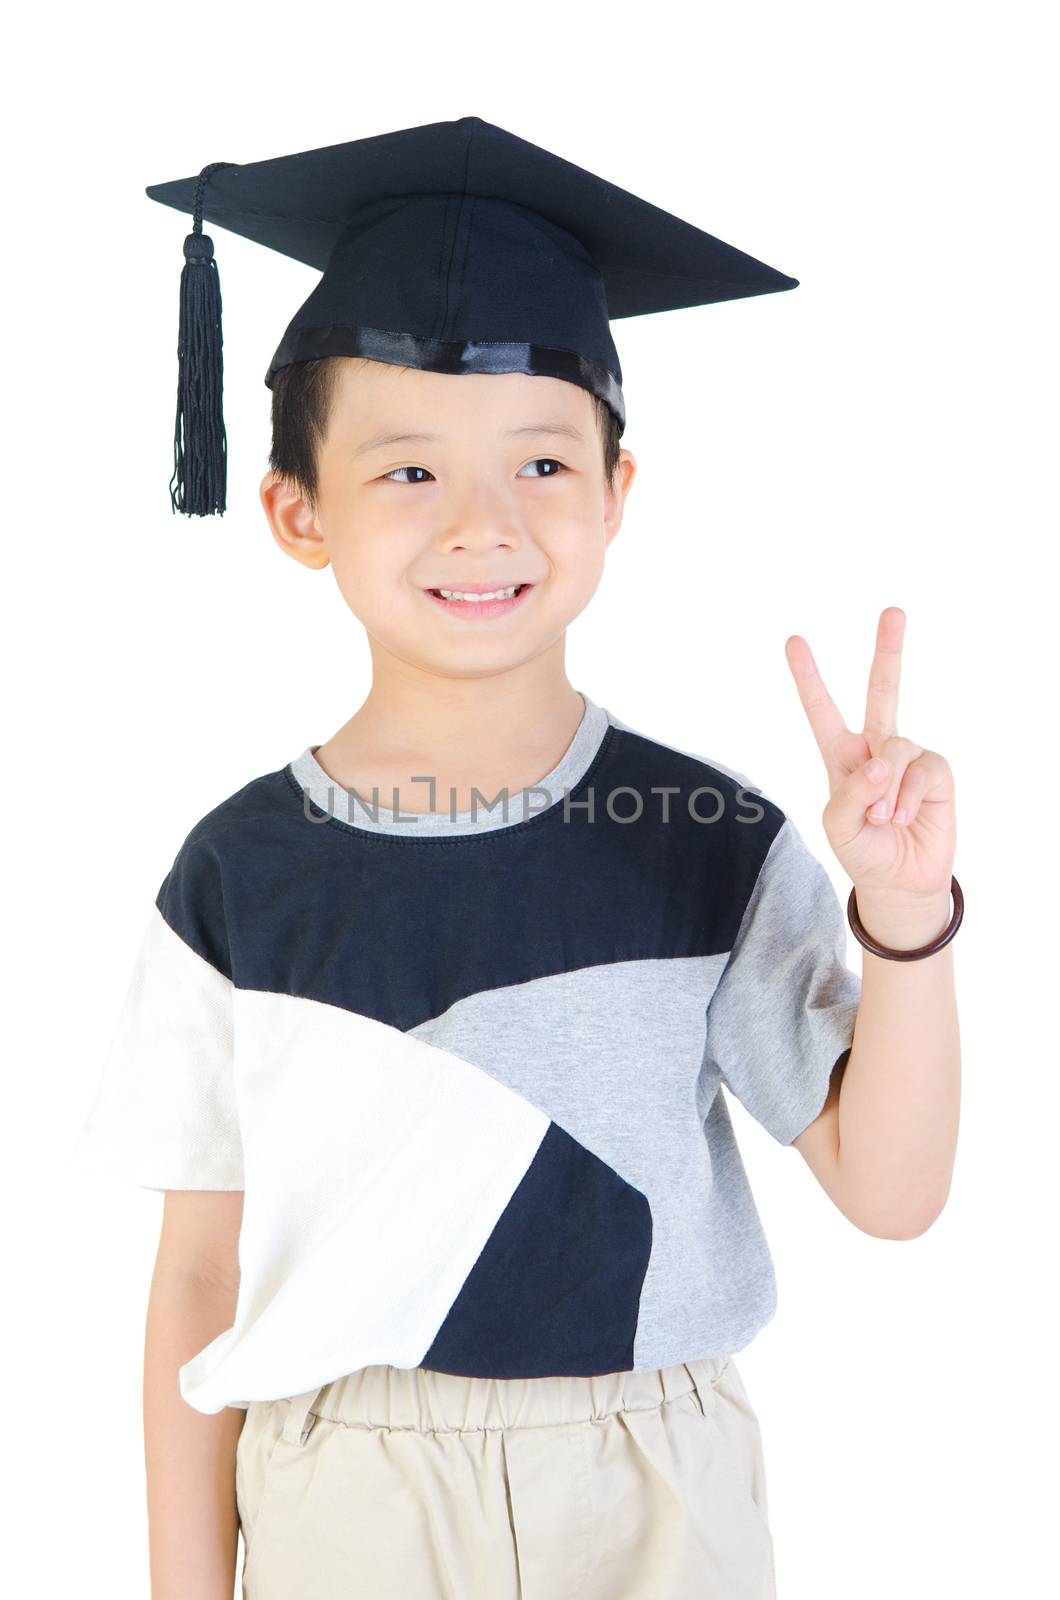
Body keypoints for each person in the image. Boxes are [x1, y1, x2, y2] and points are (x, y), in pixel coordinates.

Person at [73, 115, 962, 1600]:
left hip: (655, 1487)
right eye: (408, 474)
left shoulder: (709, 843)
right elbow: (196, 1279)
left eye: (543, 460)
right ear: (298, 513)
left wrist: (905, 913)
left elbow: (891, 1188)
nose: (484, 523)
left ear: (619, 495)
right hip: (345, 1492)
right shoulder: (238, 872)